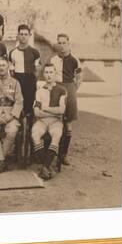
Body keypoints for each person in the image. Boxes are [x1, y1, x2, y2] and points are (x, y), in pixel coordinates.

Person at [50, 33, 83, 166]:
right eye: (59, 43)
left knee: (68, 123)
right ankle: (52, 153)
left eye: (64, 43)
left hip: (70, 88)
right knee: (54, 121)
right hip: (56, 87)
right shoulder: (53, 60)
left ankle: (63, 155)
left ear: (68, 44)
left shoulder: (75, 59)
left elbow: (79, 78)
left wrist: (73, 89)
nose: (62, 46)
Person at [32, 63, 67, 180]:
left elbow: (61, 110)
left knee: (56, 135)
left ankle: (44, 167)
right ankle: (46, 167)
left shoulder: (62, 90)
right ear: (43, 74)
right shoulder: (39, 91)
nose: (48, 75)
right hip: (41, 121)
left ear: (55, 74)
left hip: (55, 122)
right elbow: (36, 112)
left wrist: (45, 108)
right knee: (35, 134)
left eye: (51, 72)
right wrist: (53, 111)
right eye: (46, 72)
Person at [9, 24, 41, 117]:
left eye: (25, 34)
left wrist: (34, 80)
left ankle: (29, 128)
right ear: (18, 35)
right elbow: (11, 71)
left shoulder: (35, 52)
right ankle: (18, 127)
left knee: (29, 106)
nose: (23, 36)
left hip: (30, 79)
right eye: (21, 34)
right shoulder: (12, 52)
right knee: (17, 104)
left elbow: (37, 69)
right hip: (17, 80)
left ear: (29, 35)